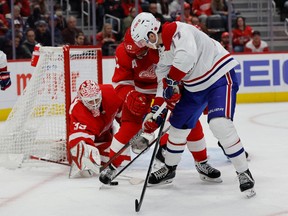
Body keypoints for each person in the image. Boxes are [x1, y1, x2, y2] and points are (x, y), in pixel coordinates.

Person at [130, 12, 255, 197]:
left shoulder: (179, 30)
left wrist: (171, 83)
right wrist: (154, 113)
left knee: (219, 123)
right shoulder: (162, 52)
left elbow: (186, 58)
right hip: (195, 87)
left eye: (142, 41)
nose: (144, 46)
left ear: (151, 32)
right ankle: (169, 168)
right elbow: (161, 83)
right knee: (177, 127)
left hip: (219, 77)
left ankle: (244, 172)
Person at [99, 27, 221, 185]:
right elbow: (120, 82)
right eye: (134, 52)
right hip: (139, 93)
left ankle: (201, 161)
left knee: (188, 121)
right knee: (129, 127)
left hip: (165, 89)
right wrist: (130, 96)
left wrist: (178, 89)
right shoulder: (124, 51)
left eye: (141, 52)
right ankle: (112, 165)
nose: (138, 55)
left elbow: (181, 72)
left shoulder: (165, 47)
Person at [68, 80, 123, 178]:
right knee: (88, 158)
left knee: (124, 157)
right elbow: (77, 141)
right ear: (81, 99)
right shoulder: (77, 109)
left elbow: (124, 117)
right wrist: (83, 156)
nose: (94, 104)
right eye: (90, 101)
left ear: (100, 95)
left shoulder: (112, 93)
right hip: (92, 140)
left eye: (96, 100)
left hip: (106, 135)